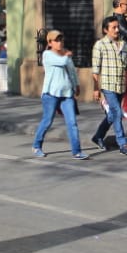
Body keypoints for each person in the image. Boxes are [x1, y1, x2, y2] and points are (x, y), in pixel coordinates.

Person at [33, 29, 89, 159]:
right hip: (51, 94)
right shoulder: (47, 54)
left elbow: (72, 71)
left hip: (67, 94)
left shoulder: (65, 55)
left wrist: (76, 85)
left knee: (72, 122)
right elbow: (61, 62)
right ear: (50, 43)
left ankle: (77, 151)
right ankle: (37, 146)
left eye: (61, 40)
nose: (59, 42)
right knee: (47, 121)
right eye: (56, 40)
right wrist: (67, 55)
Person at [91, 15, 127, 155]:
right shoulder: (100, 45)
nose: (117, 30)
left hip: (120, 85)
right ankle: (123, 143)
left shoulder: (124, 44)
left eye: (117, 27)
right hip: (108, 86)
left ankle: (98, 136)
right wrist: (96, 89)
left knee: (112, 115)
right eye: (113, 27)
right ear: (105, 30)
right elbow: (95, 70)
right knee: (118, 113)